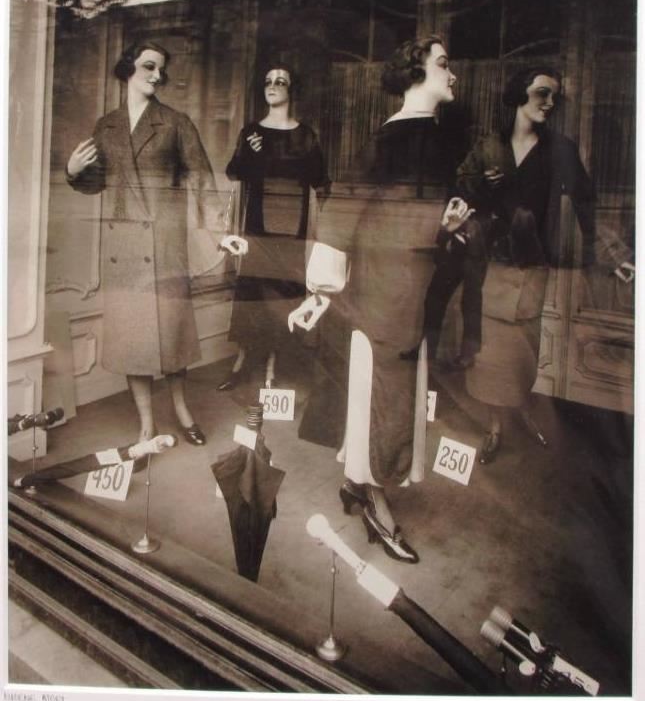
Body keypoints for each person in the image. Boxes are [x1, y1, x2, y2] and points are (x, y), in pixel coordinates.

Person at [289, 36, 470, 564]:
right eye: (443, 64)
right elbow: (343, 212)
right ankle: (374, 501)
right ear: (416, 74)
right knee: (384, 397)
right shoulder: (390, 138)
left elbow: (411, 214)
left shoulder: (433, 136)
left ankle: (357, 483)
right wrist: (322, 289)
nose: (452, 74)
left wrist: (445, 226)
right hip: (384, 293)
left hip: (413, 288)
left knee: (395, 394)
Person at [66, 40, 247, 448]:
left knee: (171, 337)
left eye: (161, 69)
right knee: (133, 342)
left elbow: (202, 181)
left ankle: (182, 411)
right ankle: (146, 425)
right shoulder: (106, 126)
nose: (157, 75)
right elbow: (96, 183)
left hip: (165, 246)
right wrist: (74, 171)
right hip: (123, 251)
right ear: (128, 67)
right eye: (149, 66)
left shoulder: (175, 122)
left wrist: (222, 232)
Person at [456, 66, 634, 464]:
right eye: (542, 93)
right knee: (489, 356)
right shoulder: (489, 145)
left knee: (523, 353)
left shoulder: (560, 150)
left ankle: (521, 411)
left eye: (554, 96)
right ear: (520, 94)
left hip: (532, 267)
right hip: (490, 268)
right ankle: (494, 427)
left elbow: (586, 205)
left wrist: (615, 255)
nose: (549, 102)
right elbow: (462, 187)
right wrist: (482, 185)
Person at [217, 64, 330, 391]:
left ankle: (273, 367)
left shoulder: (305, 135)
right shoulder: (251, 132)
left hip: (292, 229)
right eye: (268, 81)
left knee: (284, 296)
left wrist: (272, 158)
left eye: (281, 81)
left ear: (291, 90)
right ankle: (242, 361)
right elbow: (234, 172)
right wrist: (251, 154)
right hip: (257, 227)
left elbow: (319, 179)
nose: (273, 85)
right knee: (251, 292)